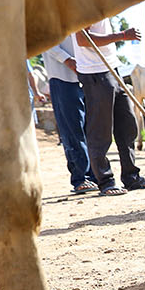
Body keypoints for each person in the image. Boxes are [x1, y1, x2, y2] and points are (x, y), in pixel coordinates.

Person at [74, 18, 145, 195]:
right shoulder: (86, 3)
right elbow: (82, 39)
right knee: (100, 130)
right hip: (95, 72)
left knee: (127, 126)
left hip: (112, 68)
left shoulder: (102, 4)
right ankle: (105, 181)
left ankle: (131, 177)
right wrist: (122, 35)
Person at [40, 34, 94, 193]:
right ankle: (81, 178)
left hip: (87, 75)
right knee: (73, 130)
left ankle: (95, 175)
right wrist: (67, 60)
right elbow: (44, 40)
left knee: (90, 129)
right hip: (62, 76)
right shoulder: (48, 14)